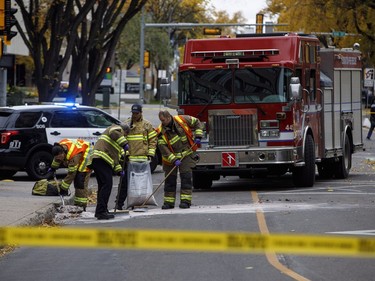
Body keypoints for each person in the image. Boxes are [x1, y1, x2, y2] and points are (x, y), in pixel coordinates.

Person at [156, 110, 203, 209]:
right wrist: (174, 160)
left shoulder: (182, 119)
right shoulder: (160, 132)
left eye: (163, 120)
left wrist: (198, 135)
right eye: (161, 120)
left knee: (186, 178)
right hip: (170, 158)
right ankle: (169, 203)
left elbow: (197, 121)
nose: (162, 122)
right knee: (170, 180)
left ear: (169, 117)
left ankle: (185, 201)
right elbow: (164, 149)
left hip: (186, 154)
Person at [116, 103, 158, 210]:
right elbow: (121, 141)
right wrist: (124, 155)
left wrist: (151, 154)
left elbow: (153, 141)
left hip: (143, 160)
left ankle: (140, 202)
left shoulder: (147, 125)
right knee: (124, 183)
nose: (135, 115)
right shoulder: (126, 124)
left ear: (141, 113)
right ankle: (119, 204)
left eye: (137, 113)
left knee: (141, 184)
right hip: (129, 159)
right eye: (133, 113)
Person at [88, 123, 130, 220]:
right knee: (107, 185)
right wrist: (124, 143)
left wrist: (119, 171)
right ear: (125, 131)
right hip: (101, 159)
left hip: (100, 161)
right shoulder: (116, 128)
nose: (125, 137)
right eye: (125, 135)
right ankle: (101, 211)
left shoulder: (116, 144)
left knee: (103, 186)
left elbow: (115, 159)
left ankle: (101, 210)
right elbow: (113, 133)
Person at [49, 139, 92, 211]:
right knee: (77, 180)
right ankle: (78, 206)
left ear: (63, 153)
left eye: (60, 158)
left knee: (80, 181)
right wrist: (53, 168)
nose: (59, 159)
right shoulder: (59, 148)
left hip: (87, 155)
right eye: (57, 158)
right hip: (80, 150)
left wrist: (64, 188)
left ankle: (81, 206)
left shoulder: (73, 156)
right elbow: (56, 159)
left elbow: (71, 174)